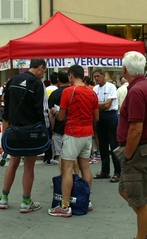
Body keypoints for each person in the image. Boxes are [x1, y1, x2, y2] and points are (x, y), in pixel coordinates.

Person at [116, 51, 147, 239]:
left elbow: (136, 128)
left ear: (126, 69)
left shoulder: (136, 90)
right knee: (125, 189)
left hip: (137, 150)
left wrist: (127, 154)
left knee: (140, 199)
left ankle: (142, 235)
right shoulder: (145, 86)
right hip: (143, 148)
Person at [0, 58, 50, 213]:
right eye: (44, 70)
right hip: (31, 132)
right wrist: (46, 131)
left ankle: (3, 198)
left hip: (14, 132)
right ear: (40, 68)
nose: (43, 74)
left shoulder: (13, 80)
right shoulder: (37, 84)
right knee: (29, 166)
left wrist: (4, 132)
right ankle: (26, 201)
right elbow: (41, 110)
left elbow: (5, 110)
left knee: (13, 163)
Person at [48, 65, 99, 217]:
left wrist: (55, 112)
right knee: (85, 168)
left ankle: (65, 206)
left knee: (67, 169)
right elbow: (96, 117)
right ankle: (86, 200)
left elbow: (61, 116)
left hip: (72, 133)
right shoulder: (92, 93)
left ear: (71, 76)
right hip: (87, 134)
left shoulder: (68, 92)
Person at [92, 68, 120, 183]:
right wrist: (100, 105)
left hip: (110, 116)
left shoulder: (111, 87)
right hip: (99, 117)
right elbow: (94, 105)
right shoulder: (95, 89)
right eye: (95, 77)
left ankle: (118, 172)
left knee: (114, 145)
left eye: (98, 76)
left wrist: (97, 105)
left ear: (104, 76)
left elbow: (108, 105)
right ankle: (105, 170)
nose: (97, 79)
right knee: (102, 145)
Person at [48, 70, 70, 166]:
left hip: (59, 127)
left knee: (59, 156)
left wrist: (52, 129)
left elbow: (51, 114)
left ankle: (63, 176)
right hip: (73, 128)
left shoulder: (55, 94)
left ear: (58, 80)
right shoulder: (73, 91)